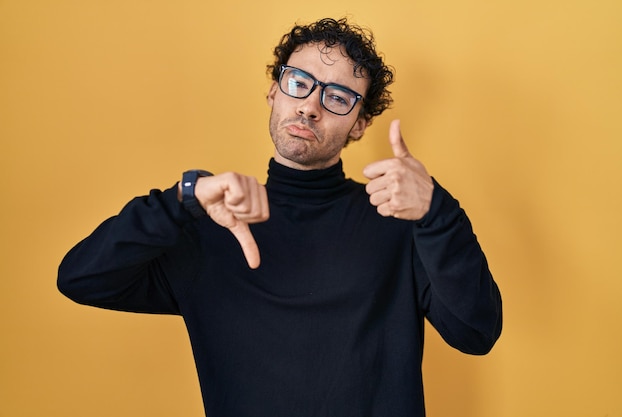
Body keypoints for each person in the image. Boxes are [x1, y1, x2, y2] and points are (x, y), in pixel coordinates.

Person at [58, 17, 502, 417]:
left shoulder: (399, 220)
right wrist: (182, 199)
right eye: (299, 83)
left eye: (339, 97)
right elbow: (81, 277)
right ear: (274, 91)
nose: (311, 106)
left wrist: (437, 213)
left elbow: (476, 333)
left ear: (360, 125)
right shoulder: (210, 225)